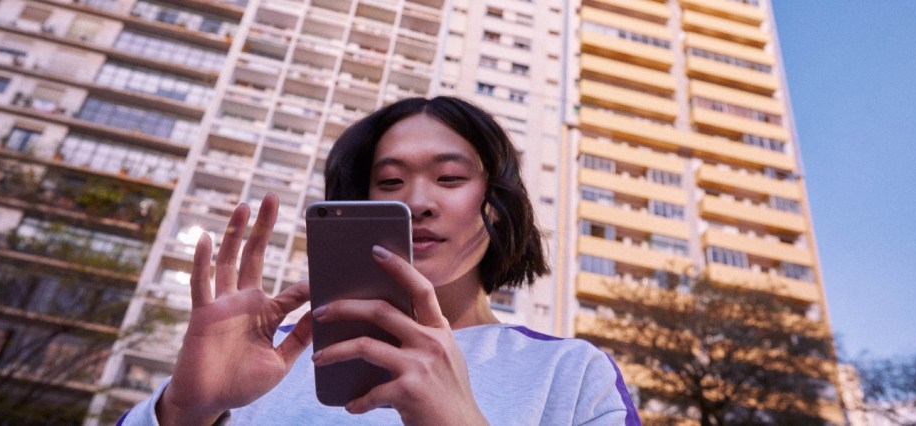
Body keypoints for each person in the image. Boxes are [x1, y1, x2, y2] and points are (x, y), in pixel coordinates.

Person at [120, 96, 640, 425]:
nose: (417, 203)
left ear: (499, 206)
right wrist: (185, 411)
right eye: (390, 182)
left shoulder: (569, 374)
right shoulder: (264, 359)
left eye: (450, 178)